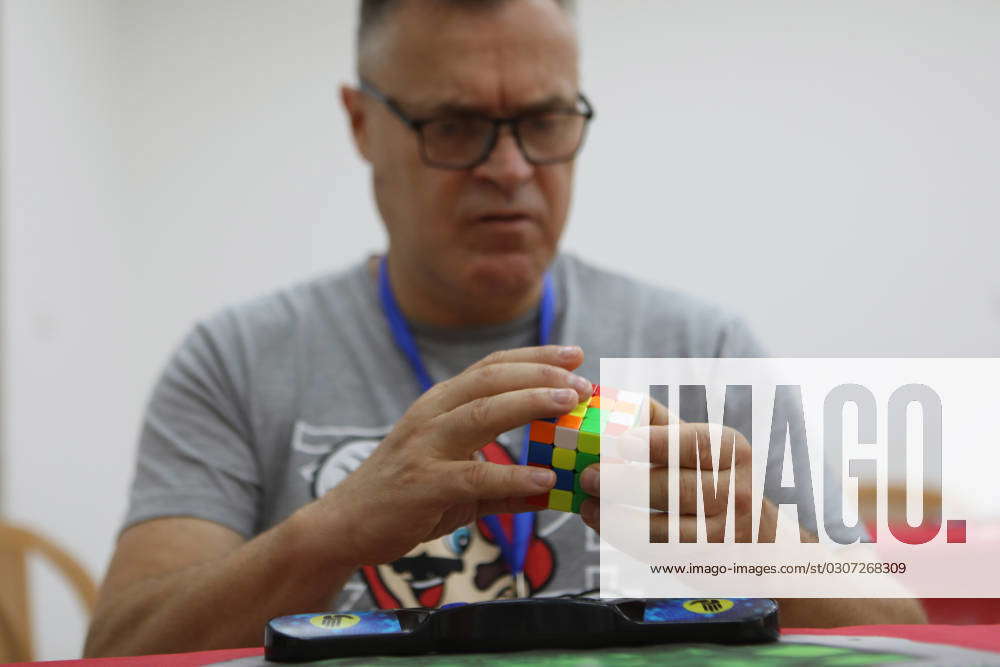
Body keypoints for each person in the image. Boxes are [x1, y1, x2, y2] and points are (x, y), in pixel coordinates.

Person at [84, 0, 925, 657]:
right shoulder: (235, 361)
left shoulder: (700, 347)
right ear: (360, 123)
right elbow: (119, 650)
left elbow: (904, 638)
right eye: (454, 126)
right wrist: (333, 530)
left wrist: (762, 547)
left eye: (545, 120)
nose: (511, 168)